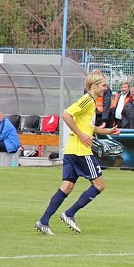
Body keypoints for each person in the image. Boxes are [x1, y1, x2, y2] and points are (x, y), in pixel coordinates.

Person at [34, 70, 120, 235]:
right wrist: (81, 135)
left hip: (71, 150)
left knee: (67, 187)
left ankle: (43, 221)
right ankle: (69, 213)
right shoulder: (87, 100)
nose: (106, 88)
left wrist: (107, 131)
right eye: (103, 85)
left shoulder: (91, 102)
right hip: (81, 151)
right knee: (99, 185)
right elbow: (66, 115)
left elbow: (88, 128)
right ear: (94, 86)